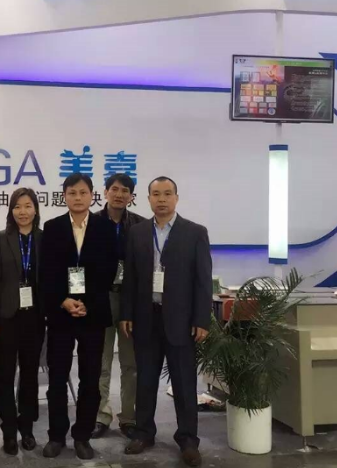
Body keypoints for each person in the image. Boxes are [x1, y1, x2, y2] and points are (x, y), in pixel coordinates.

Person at [120, 177, 212, 467]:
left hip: (182, 321)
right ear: (148, 199)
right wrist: (126, 313)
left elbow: (203, 279)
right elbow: (130, 278)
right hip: (145, 318)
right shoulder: (137, 233)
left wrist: (201, 319)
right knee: (145, 380)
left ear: (176, 198)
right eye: (156, 194)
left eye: (167, 194)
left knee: (184, 382)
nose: (162, 199)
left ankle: (188, 439)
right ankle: (144, 432)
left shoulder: (195, 232)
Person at [40, 173, 118, 460]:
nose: (77, 197)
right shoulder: (52, 227)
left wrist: (85, 303)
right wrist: (63, 300)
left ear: (92, 196)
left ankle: (82, 436)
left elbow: (109, 269)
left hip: (93, 314)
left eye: (83, 192)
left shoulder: (105, 228)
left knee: (90, 378)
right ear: (64, 196)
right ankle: (56, 435)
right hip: (61, 314)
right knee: (57, 378)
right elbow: (47, 271)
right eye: (72, 193)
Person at [0, 188, 46, 456]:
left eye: (28, 206)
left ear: (36, 209)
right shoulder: (0, 239)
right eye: (18, 206)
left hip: (35, 316)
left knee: (31, 374)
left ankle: (27, 427)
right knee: (5, 374)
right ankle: (9, 430)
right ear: (11, 210)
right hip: (6, 317)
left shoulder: (44, 238)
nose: (23, 211)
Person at [93, 174, 145, 440]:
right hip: (101, 299)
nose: (119, 194)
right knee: (100, 362)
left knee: (130, 364)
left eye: (125, 191)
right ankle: (100, 415)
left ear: (131, 196)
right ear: (105, 192)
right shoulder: (92, 222)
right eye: (114, 189)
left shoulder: (140, 226)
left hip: (129, 301)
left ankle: (128, 417)